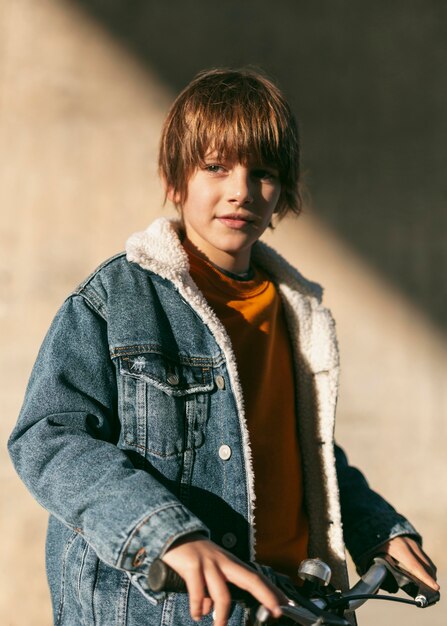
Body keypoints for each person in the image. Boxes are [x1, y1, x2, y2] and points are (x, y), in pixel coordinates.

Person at [8, 68, 438, 626]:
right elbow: (49, 437)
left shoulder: (297, 311)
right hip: (162, 611)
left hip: (293, 606)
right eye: (216, 167)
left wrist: (375, 530)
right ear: (175, 179)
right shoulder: (115, 299)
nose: (240, 191)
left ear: (282, 189)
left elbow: (308, 455)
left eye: (262, 172)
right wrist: (164, 534)